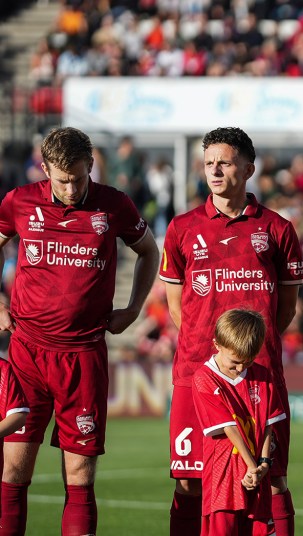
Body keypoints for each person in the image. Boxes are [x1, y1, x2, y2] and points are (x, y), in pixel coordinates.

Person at [0, 127, 161, 535]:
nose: (71, 187)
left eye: (78, 176)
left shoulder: (115, 205)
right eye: (61, 179)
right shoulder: (19, 202)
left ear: (91, 165)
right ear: (45, 169)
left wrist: (133, 308)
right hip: (27, 355)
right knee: (14, 470)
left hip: (83, 355)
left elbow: (148, 251)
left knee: (80, 474)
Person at [161, 127, 303, 536]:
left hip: (259, 376)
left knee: (271, 476)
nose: (215, 170)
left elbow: (287, 307)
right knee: (189, 481)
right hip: (197, 375)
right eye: (208, 163)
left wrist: (249, 351)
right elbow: (177, 308)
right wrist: (214, 359)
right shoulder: (182, 228)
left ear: (248, 168)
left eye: (224, 162)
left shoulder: (278, 229)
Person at [193, 309, 287, 536]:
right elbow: (229, 428)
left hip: (255, 476)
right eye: (234, 362)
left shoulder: (263, 376)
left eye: (248, 362)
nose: (240, 369)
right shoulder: (204, 378)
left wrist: (264, 463)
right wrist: (251, 466)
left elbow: (267, 424)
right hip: (224, 476)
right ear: (217, 344)